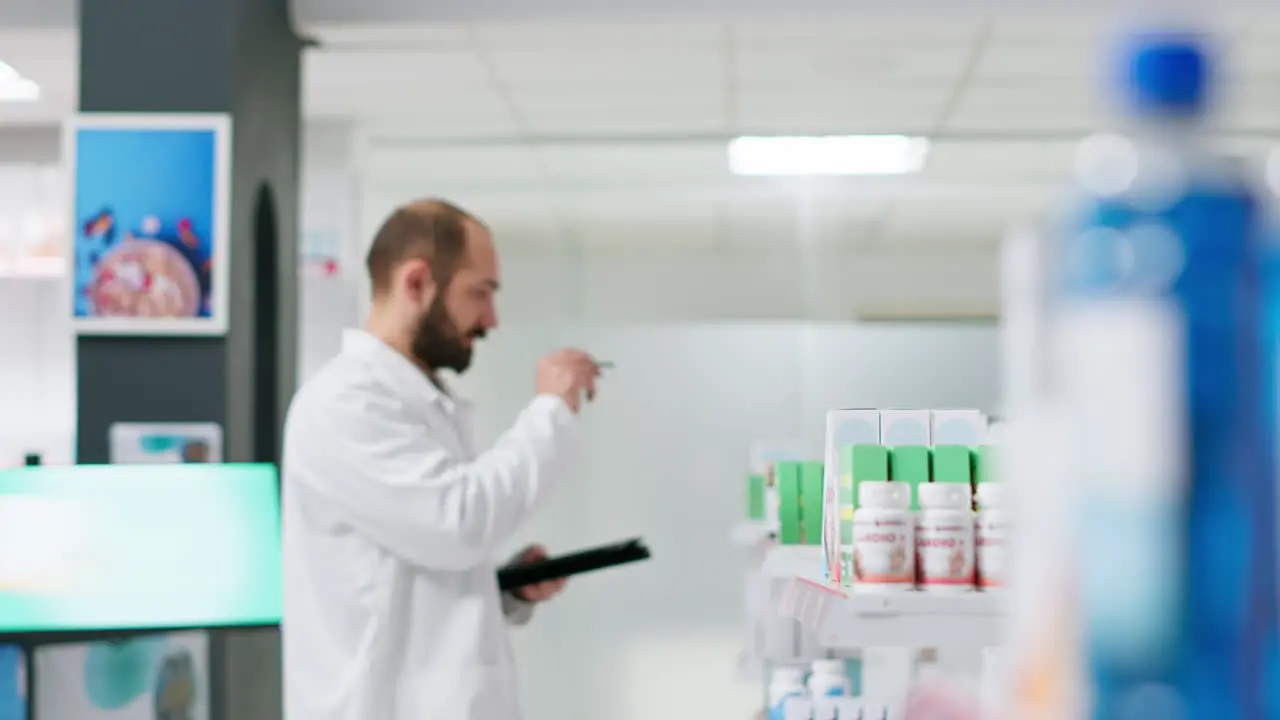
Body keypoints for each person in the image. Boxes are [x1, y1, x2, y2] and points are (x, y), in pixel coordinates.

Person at [281, 198, 602, 720]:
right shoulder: (345, 403)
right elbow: (456, 525)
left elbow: (410, 576)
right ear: (416, 283)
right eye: (481, 293)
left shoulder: (416, 402)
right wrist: (551, 410)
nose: (491, 319)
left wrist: (502, 589)